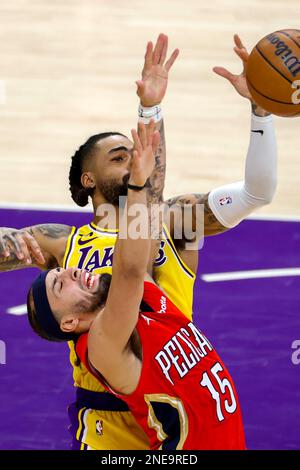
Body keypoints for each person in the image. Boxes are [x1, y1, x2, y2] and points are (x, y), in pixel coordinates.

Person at [0, 34, 277, 450]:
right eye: (118, 156)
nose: (132, 159)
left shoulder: (175, 218)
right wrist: (9, 242)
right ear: (87, 179)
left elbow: (258, 192)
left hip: (173, 392)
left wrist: (262, 108)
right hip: (108, 419)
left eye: (134, 152)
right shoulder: (62, 245)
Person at [27, 121, 246, 450]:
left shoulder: (150, 296)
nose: (70, 272)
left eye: (66, 271)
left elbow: (136, 255)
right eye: (60, 283)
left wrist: (151, 108)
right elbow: (129, 269)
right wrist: (140, 182)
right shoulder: (104, 336)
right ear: (68, 322)